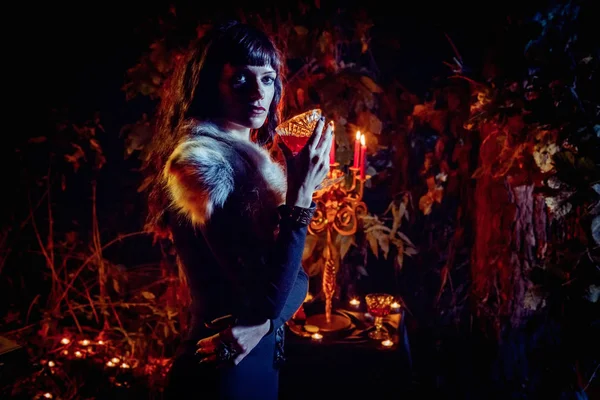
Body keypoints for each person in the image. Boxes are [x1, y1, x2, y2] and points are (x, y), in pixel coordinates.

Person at [142, 20, 333, 399]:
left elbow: (294, 280)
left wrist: (262, 324)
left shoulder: (252, 161)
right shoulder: (202, 165)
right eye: (241, 79)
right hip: (220, 370)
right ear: (211, 84)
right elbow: (270, 296)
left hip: (254, 358)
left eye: (267, 79)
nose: (259, 93)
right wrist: (300, 197)